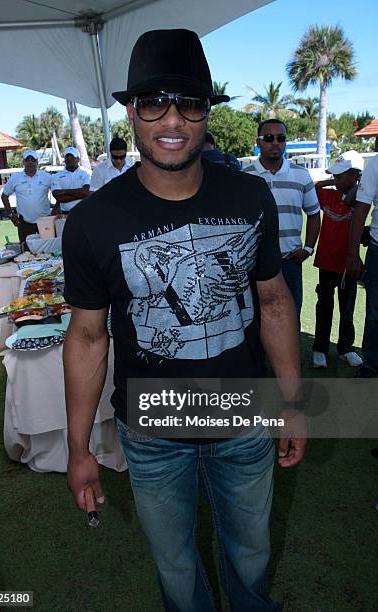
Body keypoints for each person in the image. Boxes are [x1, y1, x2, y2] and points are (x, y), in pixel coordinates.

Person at [63, 28, 305, 612]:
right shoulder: (93, 221)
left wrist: (295, 402)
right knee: (175, 565)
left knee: (250, 553)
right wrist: (77, 448)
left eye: (189, 103)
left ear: (206, 115)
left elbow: (273, 302)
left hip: (243, 416)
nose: (171, 120)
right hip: (152, 432)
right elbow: (89, 338)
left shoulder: (251, 198)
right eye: (153, 102)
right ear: (130, 113)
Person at [244, 119, 320, 319]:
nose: (275, 142)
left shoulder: (301, 175)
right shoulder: (245, 177)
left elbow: (314, 214)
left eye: (281, 138)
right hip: (254, 264)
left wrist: (308, 249)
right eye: (269, 138)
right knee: (257, 321)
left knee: (291, 318)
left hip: (290, 262)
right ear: (258, 142)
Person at [312, 151, 364, 369]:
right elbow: (314, 189)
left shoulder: (362, 201)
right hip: (326, 261)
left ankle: (346, 348)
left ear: (355, 176)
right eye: (334, 176)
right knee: (324, 307)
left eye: (339, 176)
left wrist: (357, 188)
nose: (336, 180)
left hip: (348, 265)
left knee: (348, 309)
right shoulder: (329, 195)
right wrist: (331, 180)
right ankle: (319, 349)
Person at [347, 153, 378, 378]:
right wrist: (353, 254)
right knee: (375, 311)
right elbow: (361, 209)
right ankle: (372, 363)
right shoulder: (375, 163)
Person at [1, 149, 51, 245]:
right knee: (26, 252)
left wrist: (56, 208)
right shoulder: (15, 177)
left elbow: (57, 193)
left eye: (33, 160)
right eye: (27, 160)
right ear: (23, 162)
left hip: (45, 221)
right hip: (24, 223)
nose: (30, 162)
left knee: (47, 249)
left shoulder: (46, 177)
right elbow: (4, 196)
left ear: (37, 162)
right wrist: (11, 215)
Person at [51, 147, 91, 214]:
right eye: (67, 156)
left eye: (72, 156)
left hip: (84, 211)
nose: (69, 158)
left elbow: (86, 192)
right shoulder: (56, 176)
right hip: (65, 213)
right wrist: (81, 194)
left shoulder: (87, 173)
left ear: (78, 159)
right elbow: (59, 198)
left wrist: (64, 191)